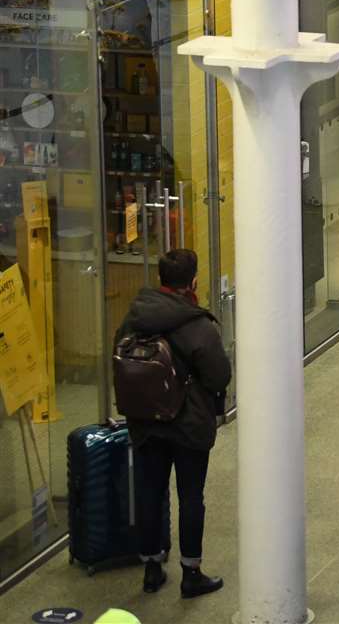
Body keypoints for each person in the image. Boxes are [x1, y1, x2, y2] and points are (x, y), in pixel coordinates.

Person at [116, 248, 231, 599]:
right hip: (188, 425)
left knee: (150, 493)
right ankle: (191, 573)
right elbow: (219, 376)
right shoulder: (198, 326)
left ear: (161, 280)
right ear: (193, 282)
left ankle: (152, 568)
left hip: (145, 422)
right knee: (190, 497)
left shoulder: (134, 317)